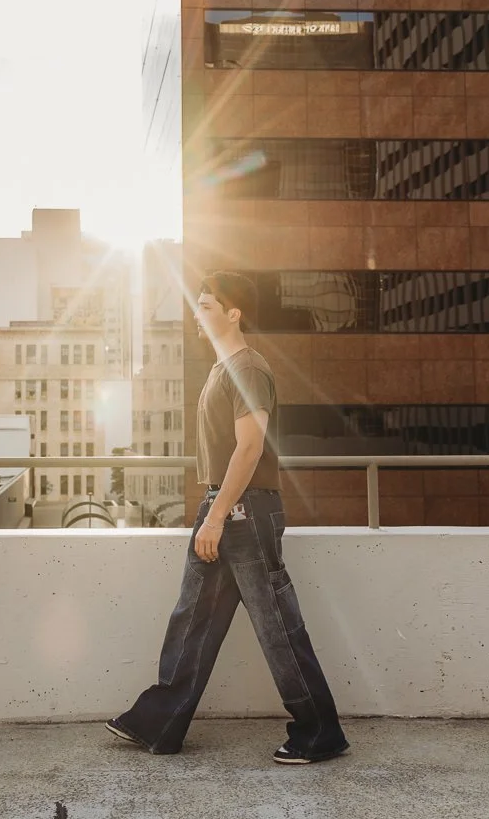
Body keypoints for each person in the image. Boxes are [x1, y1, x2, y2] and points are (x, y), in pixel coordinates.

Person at [106, 271, 349, 763]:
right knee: (192, 617)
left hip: (245, 511)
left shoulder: (248, 368)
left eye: (207, 305)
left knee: (276, 626)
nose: (198, 314)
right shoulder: (222, 369)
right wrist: (213, 512)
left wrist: (216, 517)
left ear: (234, 312)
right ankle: (161, 721)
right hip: (222, 505)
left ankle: (320, 731)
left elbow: (250, 447)